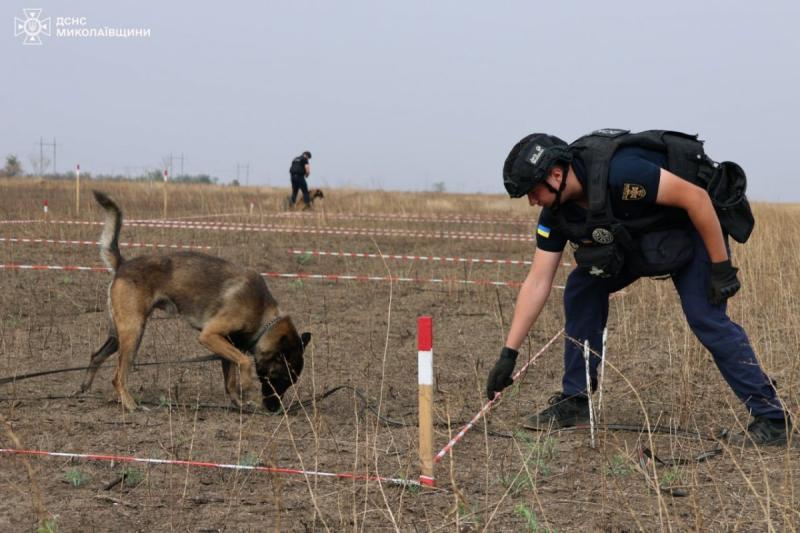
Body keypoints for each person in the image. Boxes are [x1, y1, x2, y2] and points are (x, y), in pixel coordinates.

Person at [486, 129, 793, 446]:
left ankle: (772, 420)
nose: (532, 201)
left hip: (691, 232)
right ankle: (574, 402)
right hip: (637, 243)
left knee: (706, 317)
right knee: (581, 286)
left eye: (534, 191)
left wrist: (721, 268)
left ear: (556, 173)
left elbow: (697, 199)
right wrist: (509, 353)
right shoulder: (555, 214)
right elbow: (538, 280)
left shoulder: (622, 172)